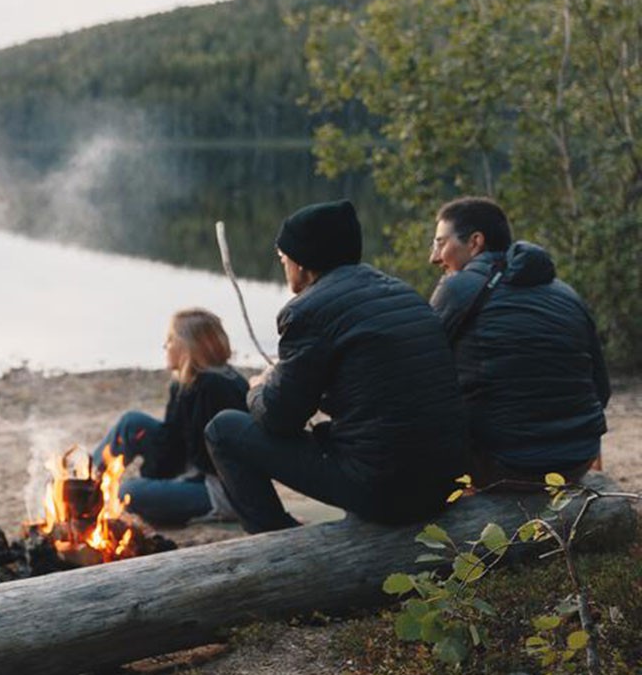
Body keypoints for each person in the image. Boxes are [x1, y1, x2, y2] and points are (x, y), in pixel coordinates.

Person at [204, 199, 467, 532]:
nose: (284, 268)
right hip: (446, 481)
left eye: (284, 259)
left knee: (223, 430)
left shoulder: (307, 311)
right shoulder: (404, 294)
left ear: (302, 263)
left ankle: (278, 542)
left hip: (387, 488)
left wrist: (258, 388)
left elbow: (279, 418)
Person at [428, 196, 609, 483]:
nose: (434, 257)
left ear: (475, 242)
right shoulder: (566, 293)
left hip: (505, 465)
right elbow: (601, 389)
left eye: (440, 243)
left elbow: (420, 374)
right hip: (577, 460)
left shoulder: (458, 289)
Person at [91, 308, 248, 526]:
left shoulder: (214, 388)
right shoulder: (190, 382)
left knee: (128, 492)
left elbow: (203, 459)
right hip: (192, 471)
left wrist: (154, 477)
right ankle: (79, 490)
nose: (165, 346)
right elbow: (172, 446)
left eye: (171, 340)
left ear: (188, 347)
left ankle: (87, 499)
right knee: (132, 422)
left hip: (221, 490)